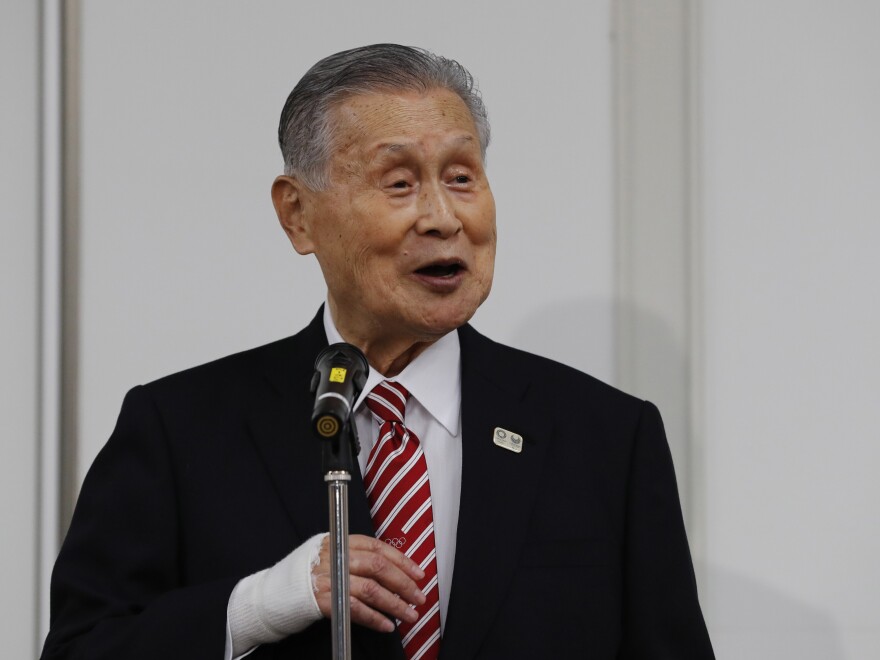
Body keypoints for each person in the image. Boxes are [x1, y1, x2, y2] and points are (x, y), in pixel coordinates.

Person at [42, 44, 714, 659]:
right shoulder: (178, 428)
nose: (443, 217)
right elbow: (81, 649)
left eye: (460, 177)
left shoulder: (606, 439)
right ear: (297, 215)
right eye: (399, 183)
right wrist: (261, 605)